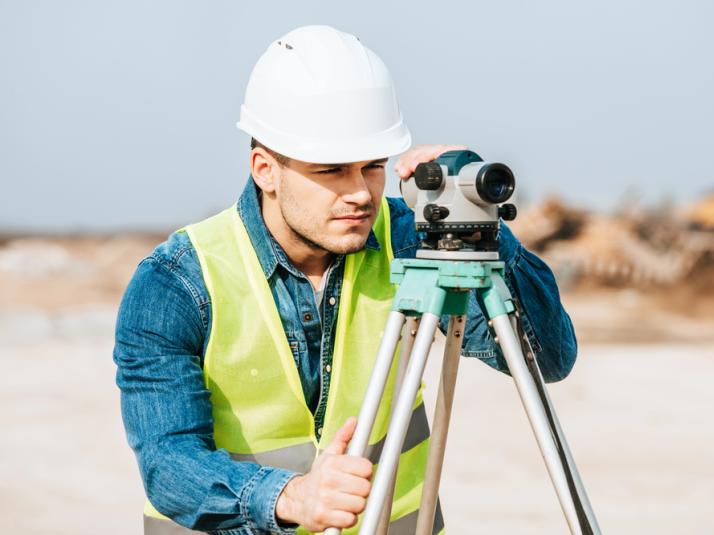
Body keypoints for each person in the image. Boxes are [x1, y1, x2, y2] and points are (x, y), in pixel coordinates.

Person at [113, 25, 577, 535]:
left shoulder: (412, 242)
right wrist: (290, 496)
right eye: (331, 170)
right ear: (265, 169)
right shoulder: (177, 283)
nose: (360, 193)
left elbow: (549, 357)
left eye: (372, 167)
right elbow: (168, 464)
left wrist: (477, 226)